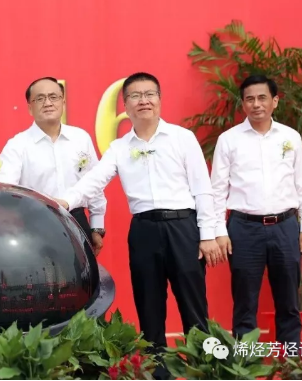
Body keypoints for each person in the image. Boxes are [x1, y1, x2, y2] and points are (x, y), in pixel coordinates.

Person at [55, 72, 221, 378]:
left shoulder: (182, 138)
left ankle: (206, 371)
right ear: (125, 105)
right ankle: (158, 373)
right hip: (144, 231)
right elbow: (94, 180)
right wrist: (66, 201)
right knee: (149, 306)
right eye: (135, 96)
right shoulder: (119, 147)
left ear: (159, 99)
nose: (143, 101)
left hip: (183, 227)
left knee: (194, 306)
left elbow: (203, 189)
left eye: (149, 94)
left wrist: (208, 234)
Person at [210, 74, 302, 344]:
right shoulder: (229, 140)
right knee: (244, 303)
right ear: (243, 103)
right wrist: (219, 231)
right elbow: (218, 190)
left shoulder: (290, 137)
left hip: (286, 227)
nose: (256, 104)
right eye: (249, 99)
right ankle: (246, 363)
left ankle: (290, 361)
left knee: (289, 302)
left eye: (262, 98)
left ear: (275, 101)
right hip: (244, 229)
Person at [0, 77, 107, 251]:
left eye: (53, 97)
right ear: (30, 107)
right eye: (40, 98)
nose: (48, 103)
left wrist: (96, 227)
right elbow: (5, 189)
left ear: (63, 102)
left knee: (82, 269)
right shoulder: (17, 144)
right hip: (36, 222)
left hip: (77, 219)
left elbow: (94, 183)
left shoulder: (80, 138)